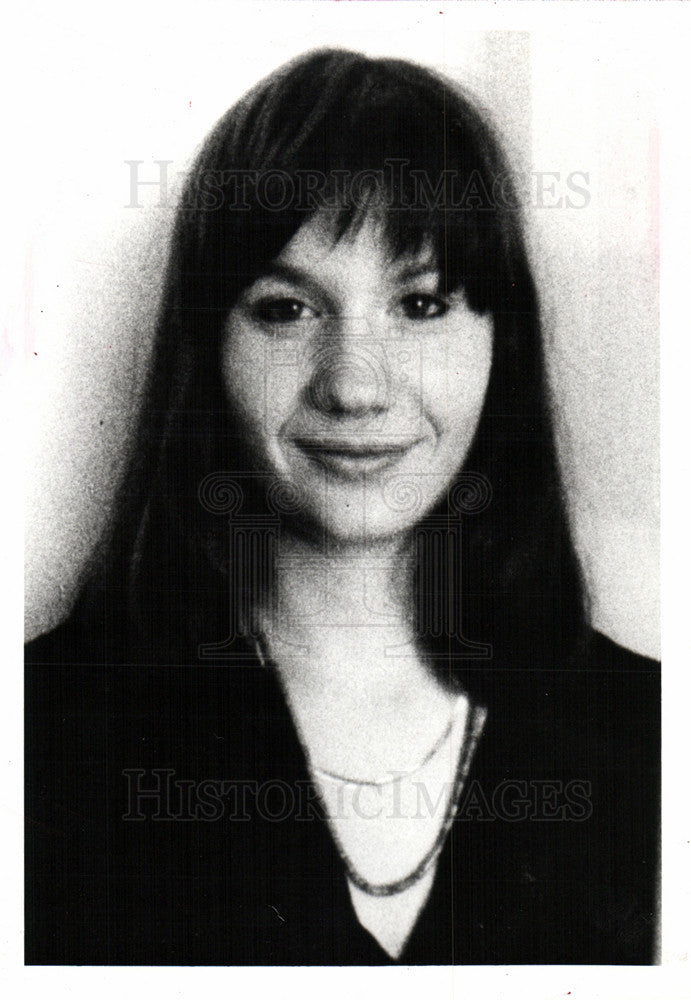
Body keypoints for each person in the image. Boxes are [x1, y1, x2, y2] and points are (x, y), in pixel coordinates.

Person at [25, 48, 659, 965]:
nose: (355, 388)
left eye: (423, 302)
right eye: (284, 309)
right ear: (205, 350)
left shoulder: (647, 730)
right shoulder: (45, 735)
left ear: (501, 346)